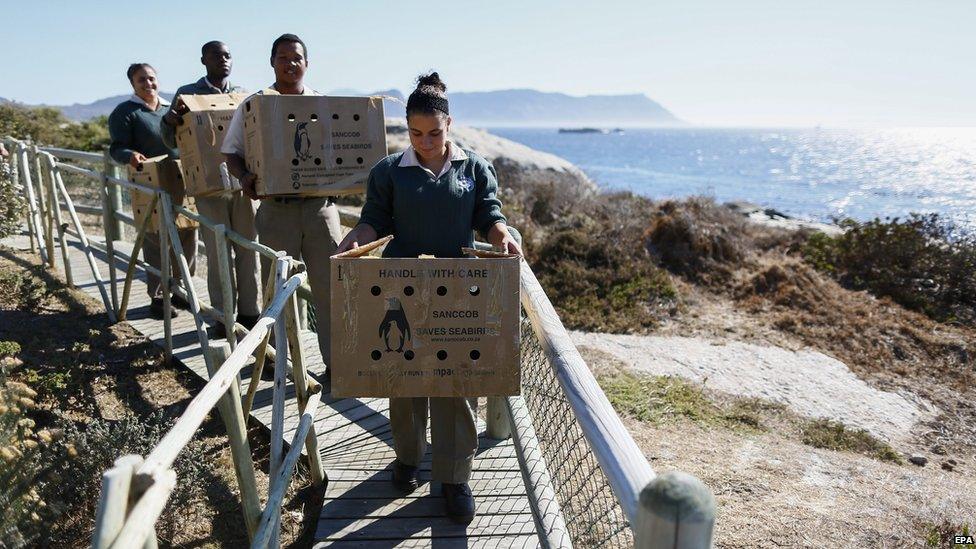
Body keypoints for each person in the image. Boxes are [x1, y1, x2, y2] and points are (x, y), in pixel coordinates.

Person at [336, 72, 521, 524]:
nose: (426, 142)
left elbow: (487, 215)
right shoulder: (388, 172)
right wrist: (353, 239)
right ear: (407, 129)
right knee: (405, 377)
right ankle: (408, 458)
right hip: (400, 288)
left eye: (435, 133)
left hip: (458, 290)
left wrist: (501, 235)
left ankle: (455, 477)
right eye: (416, 134)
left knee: (455, 382)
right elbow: (373, 220)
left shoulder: (475, 167)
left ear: (449, 124)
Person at [222, 34, 343, 364]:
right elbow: (232, 152)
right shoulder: (254, 105)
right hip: (276, 210)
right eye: (283, 57)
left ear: (307, 63)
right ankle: (281, 365)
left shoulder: (324, 105)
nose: (291, 63)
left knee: (332, 288)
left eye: (297, 58)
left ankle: (336, 366)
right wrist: (244, 177)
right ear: (272, 62)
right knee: (277, 291)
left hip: (321, 210)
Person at [161, 41, 260, 338]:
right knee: (218, 254)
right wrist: (171, 120)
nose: (223, 60)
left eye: (228, 55)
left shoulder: (241, 95)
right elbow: (169, 137)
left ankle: (250, 313)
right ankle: (222, 315)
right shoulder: (188, 96)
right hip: (209, 188)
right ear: (203, 59)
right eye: (217, 55)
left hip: (242, 187)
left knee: (248, 249)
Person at [108, 63, 197, 319]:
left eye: (151, 79)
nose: (148, 84)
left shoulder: (172, 109)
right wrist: (129, 155)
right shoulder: (125, 113)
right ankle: (158, 297)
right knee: (156, 238)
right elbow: (117, 148)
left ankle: (182, 289)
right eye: (141, 80)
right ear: (133, 84)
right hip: (149, 180)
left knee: (188, 233)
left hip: (180, 176)